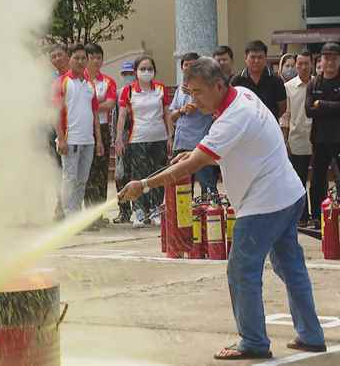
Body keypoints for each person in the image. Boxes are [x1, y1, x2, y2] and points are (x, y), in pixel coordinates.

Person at [119, 58, 326, 360]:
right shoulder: (241, 97)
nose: (193, 99)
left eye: (198, 92)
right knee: (290, 267)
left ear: (218, 85)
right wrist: (196, 151)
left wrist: (145, 184)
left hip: (265, 203)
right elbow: (227, 147)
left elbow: (194, 164)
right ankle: (311, 335)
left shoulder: (234, 115)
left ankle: (254, 341)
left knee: (242, 269)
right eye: (189, 92)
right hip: (288, 194)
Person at [116, 56, 173, 227]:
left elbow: (167, 113)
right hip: (138, 139)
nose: (146, 72)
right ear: (136, 72)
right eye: (143, 69)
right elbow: (122, 116)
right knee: (139, 176)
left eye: (149, 69)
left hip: (159, 138)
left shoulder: (161, 89)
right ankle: (139, 211)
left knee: (157, 174)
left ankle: (155, 209)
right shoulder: (129, 91)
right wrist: (118, 138)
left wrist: (170, 136)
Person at [305, 43, 340, 229]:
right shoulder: (314, 83)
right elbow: (309, 111)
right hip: (319, 139)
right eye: (326, 58)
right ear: (321, 60)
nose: (330, 62)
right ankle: (317, 216)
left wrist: (322, 105)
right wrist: (331, 106)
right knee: (317, 179)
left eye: (334, 58)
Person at [54, 44, 104, 217]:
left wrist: (98, 140)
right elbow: (55, 113)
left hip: (88, 140)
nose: (81, 61)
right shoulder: (62, 82)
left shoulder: (89, 83)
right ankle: (69, 215)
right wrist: (61, 139)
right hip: (70, 139)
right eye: (77, 58)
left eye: (84, 58)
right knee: (70, 178)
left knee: (82, 180)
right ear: (69, 59)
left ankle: (75, 213)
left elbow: (95, 113)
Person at [169, 52, 217, 194]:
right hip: (181, 144)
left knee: (207, 187)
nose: (188, 68)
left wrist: (194, 96)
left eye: (193, 65)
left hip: (201, 145)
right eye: (186, 65)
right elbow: (172, 116)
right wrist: (181, 110)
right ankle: (185, 216)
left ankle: (210, 214)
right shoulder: (180, 89)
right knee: (182, 189)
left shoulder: (208, 88)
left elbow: (213, 111)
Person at [83, 43, 117, 223]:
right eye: (93, 57)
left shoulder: (108, 82)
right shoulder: (81, 80)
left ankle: (99, 212)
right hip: (84, 128)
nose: (96, 61)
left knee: (102, 172)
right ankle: (88, 212)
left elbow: (110, 104)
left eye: (99, 57)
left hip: (102, 129)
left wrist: (93, 106)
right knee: (87, 172)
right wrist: (97, 105)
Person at [281, 51, 313, 226]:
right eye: (299, 64)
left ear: (312, 64)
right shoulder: (289, 87)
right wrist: (285, 140)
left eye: (306, 63)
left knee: (318, 181)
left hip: (318, 138)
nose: (302, 67)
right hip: (297, 138)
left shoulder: (317, 82)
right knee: (299, 180)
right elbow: (286, 115)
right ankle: (302, 216)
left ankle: (318, 214)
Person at [230, 40, 287, 119]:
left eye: (260, 57)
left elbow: (282, 107)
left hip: (269, 126)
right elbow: (232, 105)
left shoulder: (276, 80)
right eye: (252, 57)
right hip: (245, 126)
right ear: (245, 58)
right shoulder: (237, 81)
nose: (256, 61)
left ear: (265, 58)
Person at [48, 44, 71, 220]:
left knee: (75, 171)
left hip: (75, 128)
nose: (57, 59)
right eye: (53, 56)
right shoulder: (50, 80)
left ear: (67, 56)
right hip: (55, 130)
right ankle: (60, 204)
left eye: (59, 55)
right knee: (59, 170)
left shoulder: (76, 76)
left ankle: (73, 207)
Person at [112, 61, 136, 224]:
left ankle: (142, 211)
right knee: (121, 176)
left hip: (140, 138)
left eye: (131, 73)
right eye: (125, 74)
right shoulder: (120, 93)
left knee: (140, 175)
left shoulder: (143, 91)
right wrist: (116, 139)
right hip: (124, 140)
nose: (128, 77)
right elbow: (116, 118)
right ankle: (124, 211)